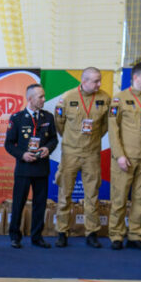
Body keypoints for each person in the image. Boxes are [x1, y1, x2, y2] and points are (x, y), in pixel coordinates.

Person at [53, 67, 110, 248]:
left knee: (92, 195)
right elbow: (59, 124)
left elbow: (105, 127)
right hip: (70, 153)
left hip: (92, 154)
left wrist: (91, 140)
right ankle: (62, 231)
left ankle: (91, 232)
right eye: (95, 81)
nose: (99, 84)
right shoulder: (67, 98)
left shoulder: (105, 99)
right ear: (84, 81)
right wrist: (73, 140)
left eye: (100, 80)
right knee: (65, 194)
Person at [108, 61, 141, 250]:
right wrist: (120, 155)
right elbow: (113, 131)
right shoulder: (119, 99)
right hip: (125, 159)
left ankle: (135, 235)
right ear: (136, 77)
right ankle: (116, 235)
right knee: (120, 197)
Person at [5, 83, 58, 248]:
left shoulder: (48, 117)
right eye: (40, 97)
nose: (44, 99)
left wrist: (47, 148)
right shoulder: (17, 118)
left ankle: (37, 237)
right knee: (18, 203)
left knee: (40, 204)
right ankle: (15, 236)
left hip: (41, 168)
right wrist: (22, 155)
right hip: (23, 168)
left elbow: (54, 139)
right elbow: (9, 144)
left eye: (43, 96)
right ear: (30, 99)